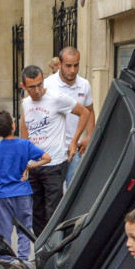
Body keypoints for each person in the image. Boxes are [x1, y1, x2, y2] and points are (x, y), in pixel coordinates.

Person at [19, 64, 93, 234]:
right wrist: (23, 160)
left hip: (54, 164)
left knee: (53, 212)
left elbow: (85, 112)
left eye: (40, 85)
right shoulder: (26, 104)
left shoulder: (57, 98)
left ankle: (56, 248)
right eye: (32, 87)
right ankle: (40, 249)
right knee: (36, 212)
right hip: (34, 166)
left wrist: (74, 141)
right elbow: (25, 132)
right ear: (23, 86)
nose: (37, 90)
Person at [0, 110, 49, 260]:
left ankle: (6, 260)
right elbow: (47, 158)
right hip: (22, 192)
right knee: (24, 229)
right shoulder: (25, 145)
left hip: (3, 195)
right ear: (13, 126)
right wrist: (28, 167)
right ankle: (23, 260)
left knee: (4, 232)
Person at [43, 47, 94, 187]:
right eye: (68, 66)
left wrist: (89, 136)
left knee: (74, 192)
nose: (73, 70)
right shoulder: (47, 85)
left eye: (76, 65)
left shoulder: (84, 85)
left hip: (74, 149)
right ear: (59, 64)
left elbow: (89, 110)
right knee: (54, 195)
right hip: (52, 151)